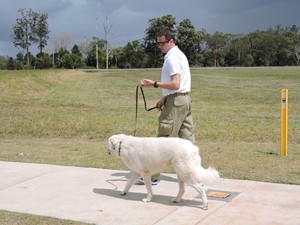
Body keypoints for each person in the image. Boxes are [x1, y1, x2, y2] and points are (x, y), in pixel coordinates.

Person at [138, 29, 195, 185]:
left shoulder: (171, 58)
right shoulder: (179, 54)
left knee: (163, 140)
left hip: (176, 102)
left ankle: (153, 177)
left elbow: (176, 83)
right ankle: (194, 174)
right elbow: (179, 86)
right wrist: (165, 97)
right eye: (158, 43)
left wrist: (154, 84)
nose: (160, 46)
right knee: (187, 139)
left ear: (171, 41)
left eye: (162, 43)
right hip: (184, 100)